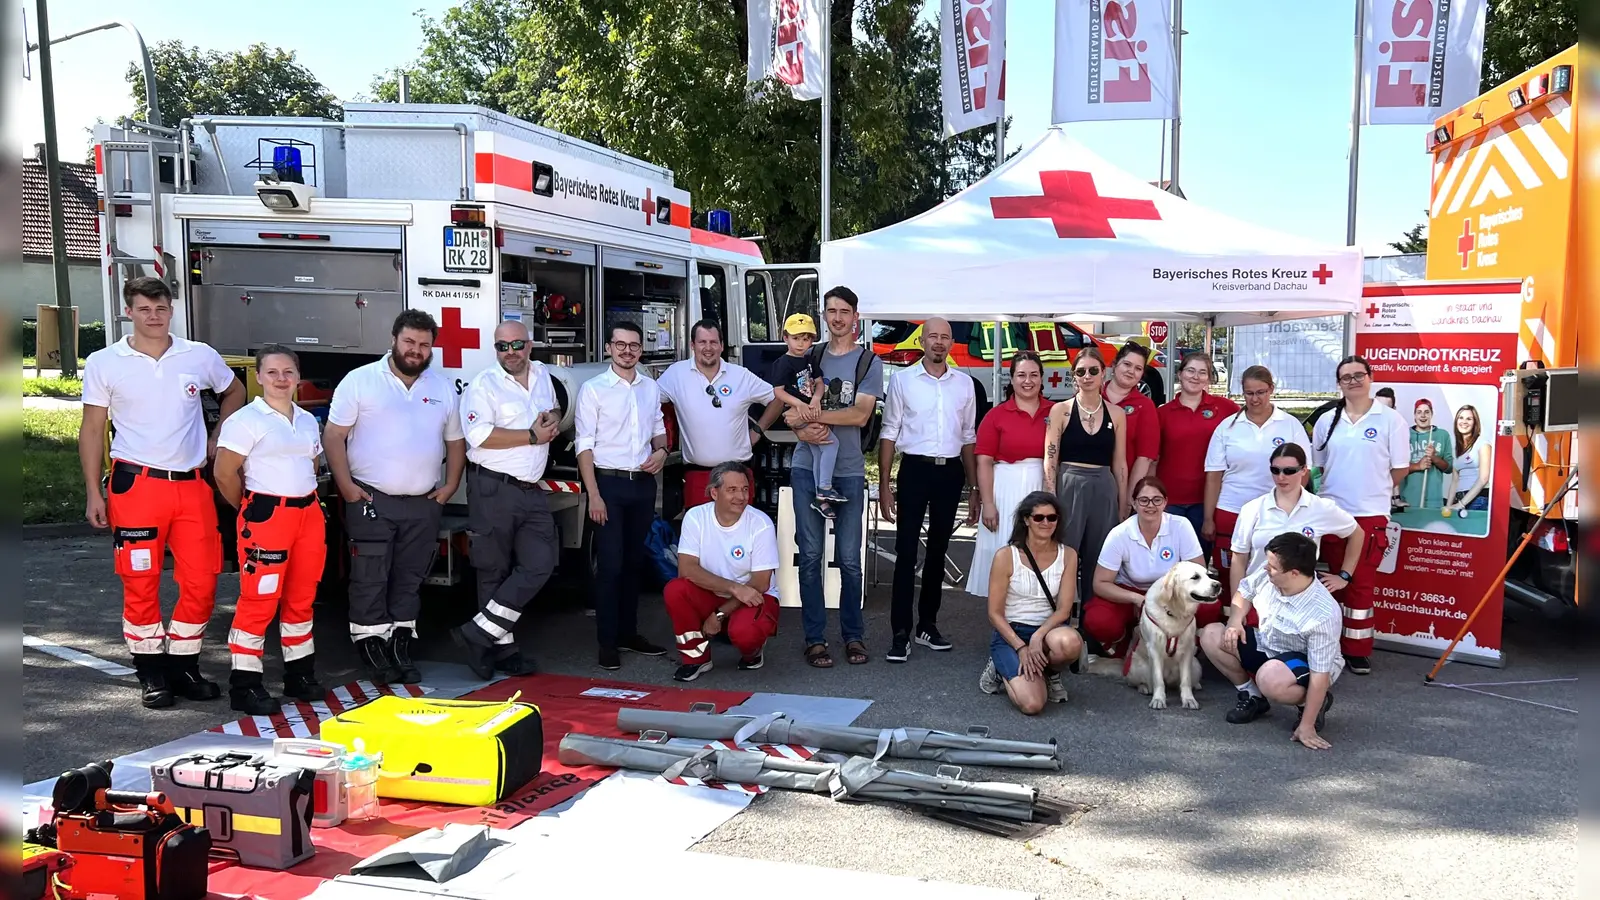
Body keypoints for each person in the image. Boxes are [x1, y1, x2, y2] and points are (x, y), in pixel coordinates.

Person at [79, 276, 246, 708]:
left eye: (161, 308)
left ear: (172, 310)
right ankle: (151, 670)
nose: (154, 317)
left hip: (190, 485)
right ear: (128, 312)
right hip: (135, 485)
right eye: (144, 309)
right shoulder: (105, 361)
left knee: (203, 577)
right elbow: (93, 428)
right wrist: (92, 493)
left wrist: (219, 434)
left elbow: (235, 390)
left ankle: (185, 664)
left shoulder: (197, 355)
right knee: (140, 580)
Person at [324, 310, 466, 685]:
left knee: (409, 576)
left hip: (423, 503)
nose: (416, 350)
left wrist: (450, 485)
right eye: (409, 342)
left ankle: (401, 643)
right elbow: (333, 436)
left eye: (423, 344)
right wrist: (346, 486)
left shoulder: (441, 387)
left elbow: (455, 441)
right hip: (371, 499)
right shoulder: (360, 381)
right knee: (370, 576)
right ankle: (372, 645)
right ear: (393, 340)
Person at [212, 345, 326, 715]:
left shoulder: (308, 420)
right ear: (259, 377)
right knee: (259, 601)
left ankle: (299, 675)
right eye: (273, 372)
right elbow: (224, 473)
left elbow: (311, 464)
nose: (281, 379)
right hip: (267, 515)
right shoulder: (246, 421)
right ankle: (245, 685)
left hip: (307, 514)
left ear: (298, 376)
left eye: (288, 372)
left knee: (301, 597)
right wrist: (249, 509)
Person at [450, 320, 562, 680]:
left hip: (531, 488)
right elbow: (478, 436)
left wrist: (553, 419)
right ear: (495, 349)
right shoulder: (483, 385)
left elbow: (554, 408)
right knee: (492, 570)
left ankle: (478, 633)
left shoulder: (543, 374)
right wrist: (531, 435)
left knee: (540, 564)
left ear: (529, 345)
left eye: (516, 345)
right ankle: (501, 649)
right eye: (502, 347)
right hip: (493, 488)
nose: (510, 353)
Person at [785, 286, 883, 669]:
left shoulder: (868, 363)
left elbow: (859, 416)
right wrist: (799, 424)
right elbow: (789, 411)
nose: (837, 317)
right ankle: (814, 639)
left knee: (848, 559)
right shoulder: (810, 355)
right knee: (809, 556)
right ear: (823, 315)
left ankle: (853, 636)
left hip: (848, 470)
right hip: (806, 467)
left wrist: (812, 417)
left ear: (855, 317)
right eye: (831, 311)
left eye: (844, 311)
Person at [879, 317, 978, 662]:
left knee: (938, 551)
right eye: (932, 336)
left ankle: (927, 625)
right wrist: (885, 485)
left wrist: (975, 487)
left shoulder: (964, 385)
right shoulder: (903, 381)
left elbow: (968, 438)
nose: (938, 342)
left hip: (949, 472)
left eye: (944, 337)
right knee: (906, 552)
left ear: (951, 343)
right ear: (922, 342)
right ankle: (900, 633)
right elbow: (889, 432)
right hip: (914, 471)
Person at [575, 320, 671, 671]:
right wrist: (594, 495)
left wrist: (661, 453)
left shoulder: (649, 388)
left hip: (642, 485)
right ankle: (607, 642)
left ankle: (629, 634)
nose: (626, 350)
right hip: (609, 485)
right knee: (611, 565)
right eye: (620, 344)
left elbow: (659, 432)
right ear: (608, 348)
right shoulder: (594, 389)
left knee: (634, 564)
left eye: (633, 345)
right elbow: (584, 446)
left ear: (640, 350)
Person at [1309, 355, 1409, 675]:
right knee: (1328, 580)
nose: (1353, 381)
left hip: (1369, 513)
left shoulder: (1391, 419)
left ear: (1370, 377)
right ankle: (1328, 643)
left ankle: (1356, 649)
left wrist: (1375, 490)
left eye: (1358, 375)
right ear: (1339, 384)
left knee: (1360, 583)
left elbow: (1400, 469)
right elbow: (1320, 464)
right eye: (1345, 377)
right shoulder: (1328, 420)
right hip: (1332, 511)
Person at [1199, 532, 1343, 751]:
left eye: (1272, 567)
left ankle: (1312, 705)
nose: (1266, 569)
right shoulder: (1271, 573)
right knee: (1211, 635)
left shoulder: (1323, 614)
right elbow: (1245, 591)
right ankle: (1252, 695)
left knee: (1270, 678)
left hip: (1304, 661)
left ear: (1294, 573)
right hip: (1267, 642)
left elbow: (1319, 674)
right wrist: (1236, 621)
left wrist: (1307, 726)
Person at [663, 462, 782, 682]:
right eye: (732, 490)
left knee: (745, 633)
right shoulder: (696, 517)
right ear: (714, 492)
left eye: (745, 489)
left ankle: (752, 652)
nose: (741, 496)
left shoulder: (761, 523)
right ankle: (696, 658)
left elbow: (761, 583)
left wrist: (719, 614)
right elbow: (686, 569)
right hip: (721, 593)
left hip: (752, 598)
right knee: (675, 590)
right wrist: (733, 588)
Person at [977, 491, 1084, 714]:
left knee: (1071, 643)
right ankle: (999, 669)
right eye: (1039, 517)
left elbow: (1064, 609)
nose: (1046, 523)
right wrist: (1021, 647)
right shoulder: (1006, 556)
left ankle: (1050, 672)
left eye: (1052, 518)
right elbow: (994, 614)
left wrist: (1037, 637)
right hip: (1011, 633)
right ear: (1026, 520)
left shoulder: (1069, 555)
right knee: (1033, 704)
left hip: (1048, 631)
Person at [657, 319, 780, 510]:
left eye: (713, 342)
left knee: (740, 536)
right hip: (697, 477)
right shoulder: (676, 375)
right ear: (692, 345)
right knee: (701, 536)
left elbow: (776, 399)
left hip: (738, 474)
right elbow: (650, 404)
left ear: (722, 346)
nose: (708, 348)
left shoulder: (741, 375)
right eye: (702, 342)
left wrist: (757, 430)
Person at [1042, 347, 1128, 617]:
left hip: (1103, 486)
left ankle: (1092, 622)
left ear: (1104, 373)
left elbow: (1120, 463)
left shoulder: (1117, 414)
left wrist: (1122, 503)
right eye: (1081, 372)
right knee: (1066, 555)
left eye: (1093, 370)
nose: (1087, 376)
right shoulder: (1061, 411)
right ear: (1074, 377)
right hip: (1069, 484)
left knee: (1099, 557)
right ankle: (1060, 621)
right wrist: (1051, 498)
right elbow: (1050, 458)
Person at [1085, 476, 1212, 658]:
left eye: (1157, 499)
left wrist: (1171, 596)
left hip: (1172, 591)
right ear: (1134, 504)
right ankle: (1125, 645)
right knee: (1099, 619)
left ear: (1166, 502)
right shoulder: (1120, 533)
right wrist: (1136, 599)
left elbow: (1199, 572)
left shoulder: (1181, 526)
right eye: (1143, 500)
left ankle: (1183, 649)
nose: (1150, 505)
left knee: (1210, 608)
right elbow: (1100, 583)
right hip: (1132, 591)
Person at [1201, 366, 1307, 575]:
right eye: (1249, 393)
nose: (1255, 399)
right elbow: (1213, 477)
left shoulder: (1290, 425)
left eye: (1261, 392)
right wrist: (1208, 518)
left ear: (1271, 389)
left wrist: (1287, 508)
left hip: (1275, 514)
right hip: (1231, 511)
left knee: (1272, 575)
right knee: (1230, 576)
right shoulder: (1227, 427)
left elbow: (1302, 473)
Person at [967, 352, 1054, 595]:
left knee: (1041, 553)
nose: (1028, 381)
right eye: (1022, 375)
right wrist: (989, 504)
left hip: (1042, 487)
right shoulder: (996, 415)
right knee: (1006, 552)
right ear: (1012, 379)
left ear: (1041, 378)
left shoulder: (1056, 412)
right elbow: (983, 461)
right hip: (1005, 490)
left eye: (1034, 375)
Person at [1228, 443, 1363, 598]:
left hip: (1303, 602)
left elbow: (1357, 534)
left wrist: (1344, 576)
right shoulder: (1252, 509)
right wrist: (1236, 606)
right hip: (1257, 598)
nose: (1281, 477)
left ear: (1304, 470)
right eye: (1275, 470)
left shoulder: (1321, 507)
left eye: (1289, 471)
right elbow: (1239, 560)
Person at [1156, 351, 1240, 547]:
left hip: (1207, 502)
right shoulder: (1162, 413)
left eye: (1202, 372)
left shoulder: (1226, 409)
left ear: (1209, 378)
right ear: (1180, 374)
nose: (1195, 377)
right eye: (1190, 370)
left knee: (1199, 566)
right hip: (1170, 501)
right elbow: (1153, 458)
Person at [767, 313, 844, 517]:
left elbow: (819, 382)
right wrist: (799, 404)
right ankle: (824, 488)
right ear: (785, 338)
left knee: (820, 449)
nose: (801, 343)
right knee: (831, 443)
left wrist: (817, 398)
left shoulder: (809, 360)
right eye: (796, 338)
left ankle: (821, 497)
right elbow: (778, 391)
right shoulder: (783, 363)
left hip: (810, 409)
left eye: (806, 338)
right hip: (798, 412)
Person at [1102, 343, 1161, 490]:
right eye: (1127, 364)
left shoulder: (1145, 406)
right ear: (1115, 365)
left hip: (1125, 486)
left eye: (1138, 368)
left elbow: (1145, 457)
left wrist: (1129, 498)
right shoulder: (1092, 397)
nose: (1131, 371)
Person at [1399, 399, 1453, 511]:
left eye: (1427, 412)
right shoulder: (1403, 434)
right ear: (1414, 415)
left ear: (1432, 414)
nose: (1423, 415)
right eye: (1419, 412)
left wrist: (1434, 458)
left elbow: (1449, 468)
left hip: (1434, 501)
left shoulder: (1442, 435)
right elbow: (1395, 467)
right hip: (1407, 500)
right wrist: (1417, 466)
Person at [1444, 405, 1492, 515]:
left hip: (1478, 500)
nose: (1464, 421)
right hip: (1460, 500)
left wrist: (1461, 504)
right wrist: (1448, 506)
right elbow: (1455, 481)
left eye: (1469, 419)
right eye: (1461, 418)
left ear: (1475, 423)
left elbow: (1483, 479)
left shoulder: (1483, 443)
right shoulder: (1456, 448)